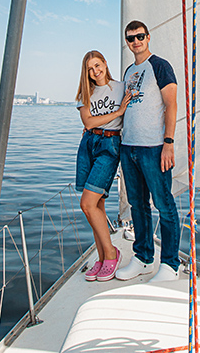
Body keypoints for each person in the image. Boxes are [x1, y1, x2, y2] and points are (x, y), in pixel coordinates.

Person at [115, 20, 181, 282]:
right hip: (128, 147)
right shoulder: (129, 70)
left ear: (148, 37)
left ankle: (170, 265)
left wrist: (169, 142)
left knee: (164, 205)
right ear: (127, 42)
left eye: (140, 36)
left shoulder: (160, 66)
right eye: (131, 38)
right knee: (137, 205)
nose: (136, 41)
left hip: (154, 148)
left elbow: (171, 105)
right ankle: (143, 258)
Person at [75, 50, 131, 281]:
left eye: (98, 65)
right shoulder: (84, 93)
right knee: (96, 205)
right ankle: (100, 258)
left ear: (105, 64)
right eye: (90, 68)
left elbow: (132, 115)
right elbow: (88, 122)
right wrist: (117, 112)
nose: (95, 71)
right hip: (89, 144)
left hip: (110, 144)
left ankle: (111, 253)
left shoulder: (120, 87)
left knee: (86, 204)